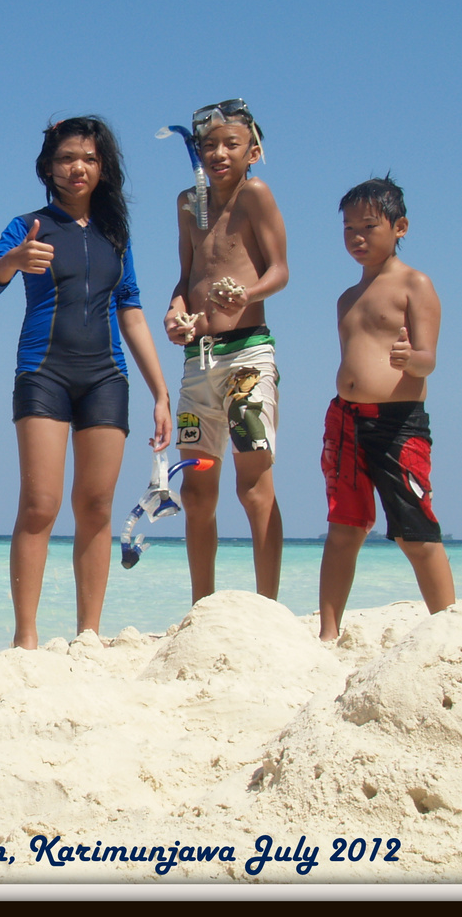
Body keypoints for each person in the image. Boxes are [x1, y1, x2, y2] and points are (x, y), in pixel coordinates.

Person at [0, 117, 172, 642]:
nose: (77, 167)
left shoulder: (115, 235)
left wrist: (160, 392)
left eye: (87, 158)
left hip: (107, 376)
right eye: (65, 159)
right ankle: (25, 636)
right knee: (40, 504)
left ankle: (89, 632)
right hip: (43, 373)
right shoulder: (27, 226)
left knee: (96, 506)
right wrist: (12, 262)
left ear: (102, 167)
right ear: (48, 168)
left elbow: (130, 310)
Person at [162, 98, 289, 603]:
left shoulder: (255, 194)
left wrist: (247, 293)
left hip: (247, 357)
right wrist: (175, 312)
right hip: (198, 361)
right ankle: (203, 606)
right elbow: (186, 275)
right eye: (209, 145)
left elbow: (280, 269)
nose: (218, 153)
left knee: (252, 481)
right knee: (197, 490)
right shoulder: (187, 204)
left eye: (230, 144)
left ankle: (268, 606)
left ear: (252, 151)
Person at [317, 177, 455, 640]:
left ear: (400, 227)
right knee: (344, 526)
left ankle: (449, 630)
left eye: (369, 227)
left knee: (415, 531)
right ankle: (329, 633)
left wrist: (411, 359)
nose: (357, 237)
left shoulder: (414, 283)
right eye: (349, 228)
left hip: (398, 425)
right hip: (346, 419)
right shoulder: (347, 298)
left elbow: (429, 358)